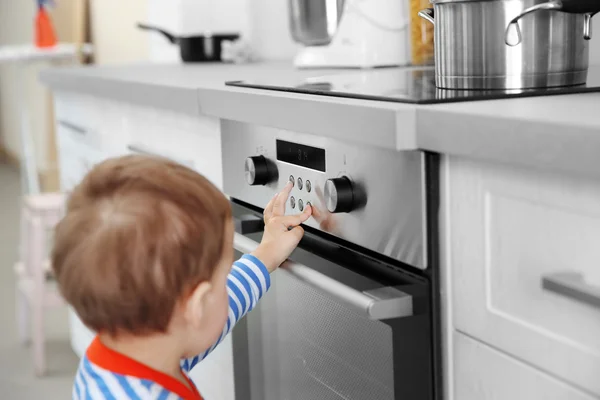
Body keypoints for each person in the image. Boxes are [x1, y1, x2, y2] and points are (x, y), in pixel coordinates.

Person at [51, 155, 312, 399]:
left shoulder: (134, 346)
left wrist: (265, 255)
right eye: (223, 277)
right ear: (197, 306)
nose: (227, 285)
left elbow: (216, 310)